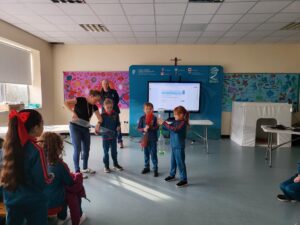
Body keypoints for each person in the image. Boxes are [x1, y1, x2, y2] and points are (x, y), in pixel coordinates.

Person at [1, 109, 53, 225]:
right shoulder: (37, 150)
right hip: (33, 202)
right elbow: (42, 181)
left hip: (11, 199)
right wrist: (51, 176)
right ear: (35, 128)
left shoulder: (6, 148)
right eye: (42, 123)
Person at [39, 132, 86, 225]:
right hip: (54, 204)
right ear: (58, 147)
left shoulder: (38, 162)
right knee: (76, 193)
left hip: (39, 203)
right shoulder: (59, 165)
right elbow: (70, 183)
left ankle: (59, 216)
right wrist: (76, 176)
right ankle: (71, 216)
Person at [64, 90, 102, 177]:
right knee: (77, 149)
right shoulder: (80, 100)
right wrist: (73, 112)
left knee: (86, 149)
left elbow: (100, 119)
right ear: (91, 96)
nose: (97, 102)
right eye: (96, 100)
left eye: (98, 101)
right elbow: (65, 102)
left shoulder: (94, 107)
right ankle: (77, 171)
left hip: (85, 128)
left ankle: (85, 168)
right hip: (75, 127)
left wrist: (98, 125)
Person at [158, 106, 189, 188]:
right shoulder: (176, 121)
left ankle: (184, 179)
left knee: (180, 163)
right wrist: (160, 124)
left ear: (182, 115)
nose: (174, 116)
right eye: (174, 114)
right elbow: (168, 128)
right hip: (173, 145)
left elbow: (175, 129)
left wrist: (164, 123)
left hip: (179, 146)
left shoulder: (183, 123)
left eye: (176, 115)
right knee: (173, 162)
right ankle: (172, 175)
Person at [97, 99, 123, 173]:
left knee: (114, 152)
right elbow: (99, 126)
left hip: (113, 136)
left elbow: (118, 123)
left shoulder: (116, 114)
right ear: (104, 107)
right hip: (105, 137)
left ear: (113, 106)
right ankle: (106, 166)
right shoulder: (102, 116)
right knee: (106, 152)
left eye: (111, 107)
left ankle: (115, 164)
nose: (109, 109)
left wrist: (118, 126)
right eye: (107, 107)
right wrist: (98, 130)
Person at [100, 79, 124, 148]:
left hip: (114, 112)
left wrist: (112, 107)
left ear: (108, 84)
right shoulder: (100, 93)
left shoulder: (114, 91)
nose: (105, 85)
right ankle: (108, 141)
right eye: (103, 84)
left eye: (106, 83)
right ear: (102, 85)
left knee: (117, 126)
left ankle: (120, 141)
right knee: (106, 127)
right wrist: (106, 108)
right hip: (105, 113)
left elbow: (117, 100)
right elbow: (100, 102)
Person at [137, 102, 159, 177]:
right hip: (145, 139)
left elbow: (157, 127)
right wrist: (144, 129)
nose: (148, 110)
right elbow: (139, 128)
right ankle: (147, 167)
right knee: (146, 154)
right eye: (146, 109)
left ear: (152, 110)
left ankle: (155, 168)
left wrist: (151, 127)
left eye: (150, 109)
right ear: (144, 110)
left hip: (153, 139)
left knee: (153, 154)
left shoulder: (154, 118)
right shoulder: (142, 118)